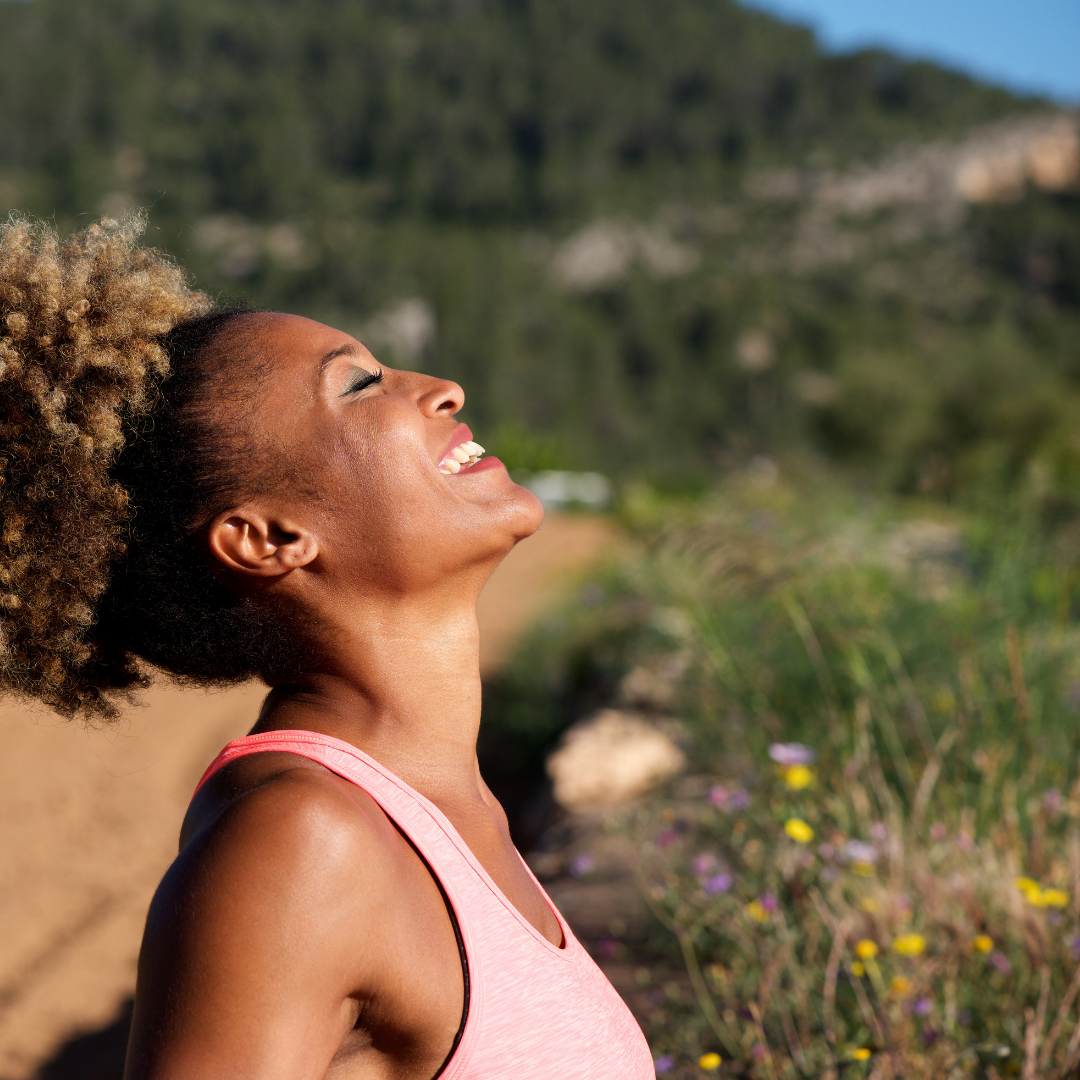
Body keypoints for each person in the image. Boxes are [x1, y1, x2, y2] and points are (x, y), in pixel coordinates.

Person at [0, 214, 655, 1079]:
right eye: (358, 386)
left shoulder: (454, 811)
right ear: (269, 538)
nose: (444, 388)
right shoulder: (302, 845)